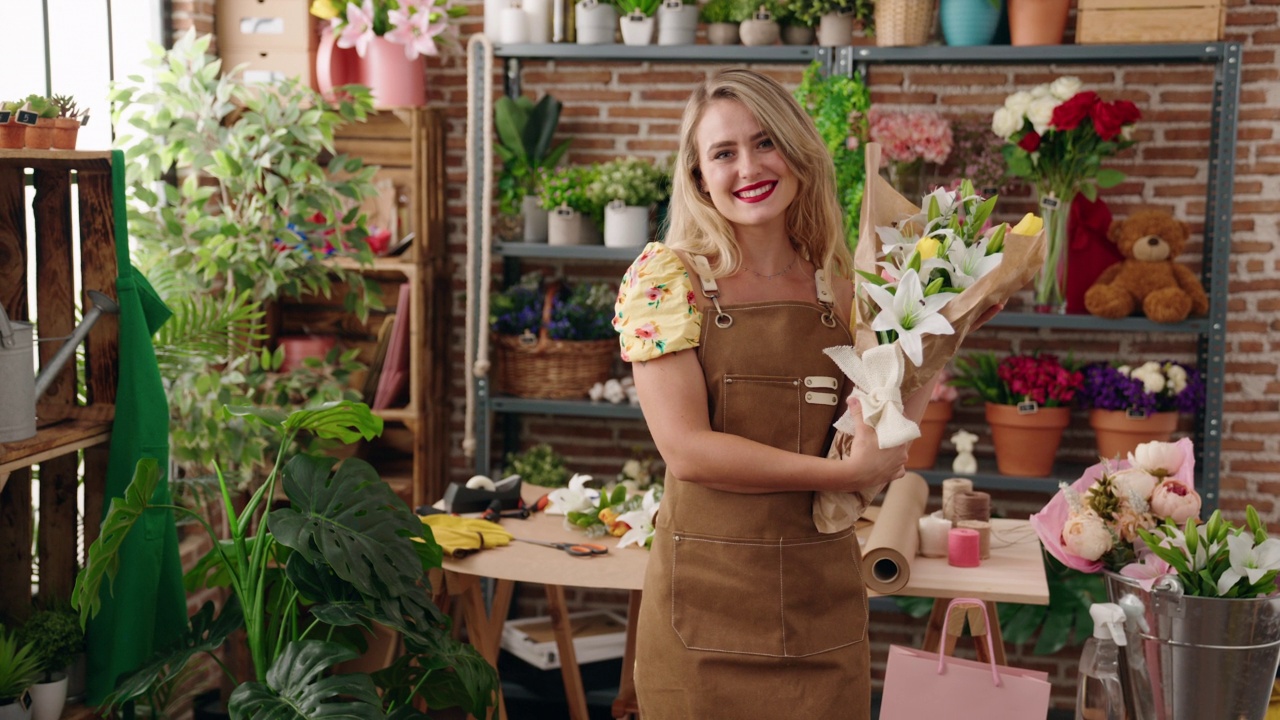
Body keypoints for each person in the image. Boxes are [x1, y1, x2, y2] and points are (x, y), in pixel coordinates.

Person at [612, 68, 997, 718]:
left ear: (797, 151)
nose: (749, 167)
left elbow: (872, 448)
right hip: (703, 622)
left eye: (765, 142)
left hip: (823, 618)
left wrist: (943, 333)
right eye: (723, 153)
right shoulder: (665, 280)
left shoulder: (846, 292)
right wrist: (840, 470)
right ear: (699, 176)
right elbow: (688, 452)